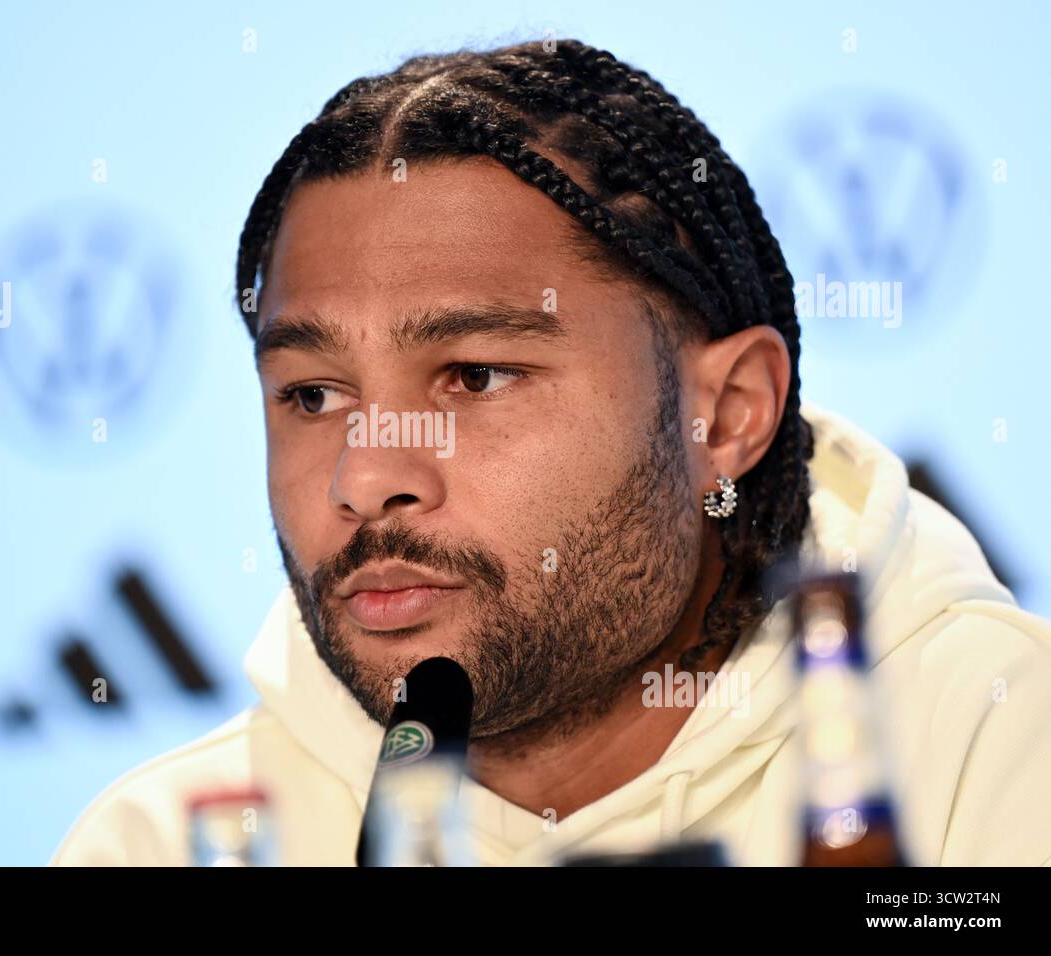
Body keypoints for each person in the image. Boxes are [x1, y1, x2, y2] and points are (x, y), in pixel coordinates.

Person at [52, 39, 1051, 866]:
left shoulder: (1004, 756)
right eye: (312, 395)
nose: (364, 476)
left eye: (474, 376)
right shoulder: (157, 842)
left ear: (729, 411)